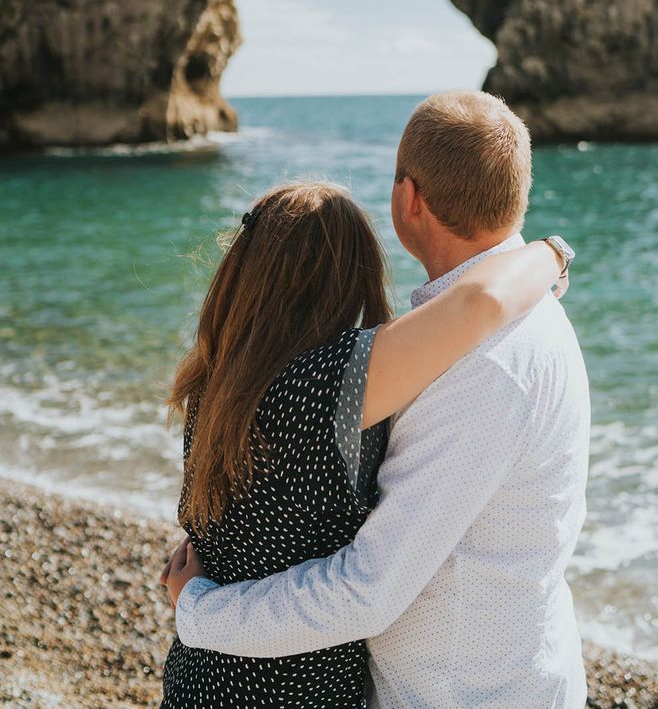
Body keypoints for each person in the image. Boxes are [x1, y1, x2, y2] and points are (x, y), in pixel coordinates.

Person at [159, 165, 569, 708]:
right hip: (294, 691)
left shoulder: (214, 379)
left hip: (199, 678)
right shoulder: (325, 383)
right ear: (350, 275)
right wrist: (551, 254)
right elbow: (479, 305)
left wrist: (194, 604)